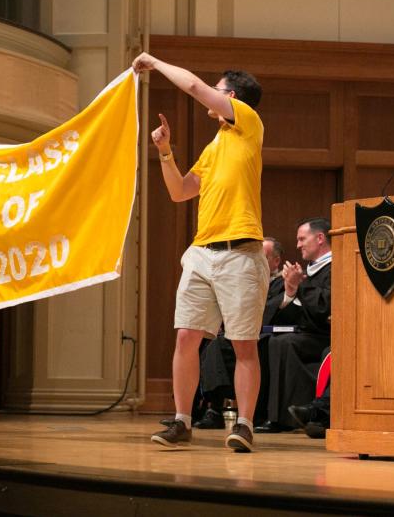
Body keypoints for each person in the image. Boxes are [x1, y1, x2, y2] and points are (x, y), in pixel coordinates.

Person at [132, 53, 269, 452]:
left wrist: (153, 62)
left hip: (240, 251)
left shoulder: (247, 121)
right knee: (187, 337)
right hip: (202, 253)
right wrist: (165, 152)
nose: (212, 94)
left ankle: (244, 424)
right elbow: (180, 192)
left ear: (232, 96)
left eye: (219, 89)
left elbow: (193, 86)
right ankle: (182, 420)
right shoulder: (214, 147)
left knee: (244, 344)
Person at [192, 237, 284, 429]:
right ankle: (209, 408)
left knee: (256, 346)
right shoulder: (238, 276)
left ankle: (247, 417)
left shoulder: (283, 281)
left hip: (269, 333)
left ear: (276, 261)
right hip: (239, 329)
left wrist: (290, 292)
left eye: (265, 256)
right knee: (209, 342)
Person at [255, 218, 331, 433]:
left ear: (320, 239)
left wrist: (301, 285)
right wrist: (290, 289)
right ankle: (266, 414)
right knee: (268, 341)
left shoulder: (336, 266)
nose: (297, 245)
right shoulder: (310, 270)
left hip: (326, 335)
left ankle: (282, 418)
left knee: (284, 343)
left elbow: (324, 307)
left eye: (301, 239)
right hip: (307, 331)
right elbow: (297, 313)